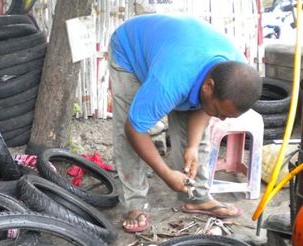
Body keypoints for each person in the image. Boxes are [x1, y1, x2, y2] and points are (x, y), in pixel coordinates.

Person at [108, 14, 262, 233]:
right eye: (220, 112)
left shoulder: (234, 73)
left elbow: (204, 108)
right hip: (130, 51)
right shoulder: (170, 82)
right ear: (208, 86)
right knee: (130, 131)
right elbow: (134, 129)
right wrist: (166, 173)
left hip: (178, 55)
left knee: (199, 139)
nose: (221, 118)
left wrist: (191, 146)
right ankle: (134, 204)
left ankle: (196, 198)